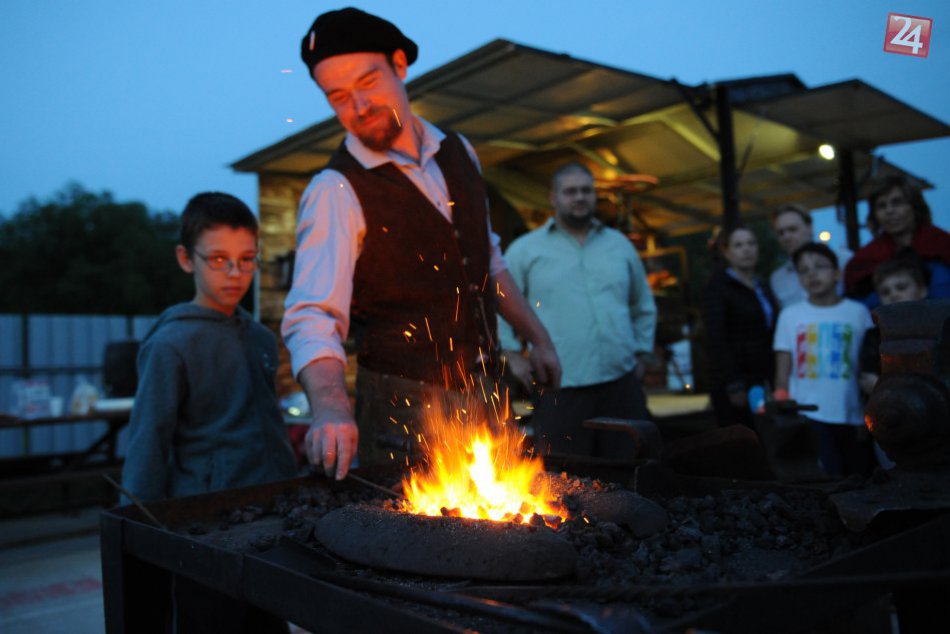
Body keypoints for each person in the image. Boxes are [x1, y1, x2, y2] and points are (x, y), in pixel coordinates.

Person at [282, 8, 560, 480]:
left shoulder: (459, 151)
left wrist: (540, 339)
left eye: (368, 81)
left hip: (486, 391)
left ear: (399, 64)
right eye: (339, 97)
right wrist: (330, 410)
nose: (359, 106)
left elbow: (487, 262)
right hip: (402, 411)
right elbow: (313, 317)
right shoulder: (335, 189)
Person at [121, 192, 295, 634]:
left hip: (272, 518)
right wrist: (135, 531)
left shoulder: (258, 338)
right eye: (218, 259)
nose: (235, 273)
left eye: (247, 259)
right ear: (186, 258)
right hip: (208, 528)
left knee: (268, 623)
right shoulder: (170, 345)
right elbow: (148, 442)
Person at [497, 162, 657, 458]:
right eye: (570, 191)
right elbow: (500, 302)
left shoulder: (619, 245)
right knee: (569, 480)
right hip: (560, 388)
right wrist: (511, 354)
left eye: (586, 190)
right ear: (553, 198)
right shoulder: (525, 250)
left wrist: (643, 353)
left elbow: (642, 305)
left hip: (621, 382)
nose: (580, 197)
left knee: (632, 469)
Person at [773, 243, 875, 477]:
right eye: (804, 270)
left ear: (837, 273)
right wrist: (782, 400)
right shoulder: (790, 315)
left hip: (852, 412)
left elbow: (869, 359)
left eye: (819, 267)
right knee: (825, 477)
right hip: (809, 414)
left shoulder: (858, 313)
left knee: (858, 474)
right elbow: (783, 366)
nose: (812, 274)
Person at [701, 226, 779, 428]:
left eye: (751, 243)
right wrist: (733, 383)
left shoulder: (761, 284)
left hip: (761, 377)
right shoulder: (718, 287)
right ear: (727, 252)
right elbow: (715, 338)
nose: (746, 250)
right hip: (736, 381)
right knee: (741, 438)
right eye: (739, 245)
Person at [844, 175, 950, 308]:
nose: (890, 211)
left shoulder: (942, 243)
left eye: (897, 202)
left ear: (914, 206)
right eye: (881, 206)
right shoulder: (864, 259)